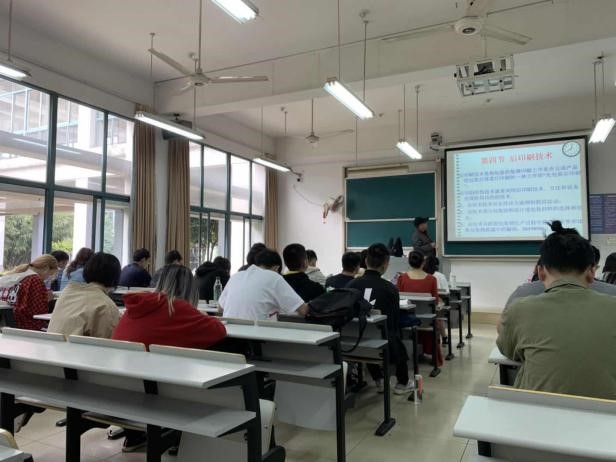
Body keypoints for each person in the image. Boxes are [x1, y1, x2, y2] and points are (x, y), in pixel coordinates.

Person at [113, 264, 226, 452]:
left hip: (119, 389)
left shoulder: (135, 306)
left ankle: (134, 435)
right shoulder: (178, 307)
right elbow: (218, 331)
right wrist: (202, 316)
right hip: (153, 393)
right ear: (190, 287)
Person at [497, 222, 616, 399]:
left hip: (536, 410)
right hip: (607, 413)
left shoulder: (520, 308)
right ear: (592, 271)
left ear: (541, 272)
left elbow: (507, 350)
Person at [346, 243, 413, 395]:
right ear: (386, 264)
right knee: (394, 338)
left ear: (366, 261)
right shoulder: (390, 289)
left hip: (352, 342)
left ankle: (379, 379)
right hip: (382, 344)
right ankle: (402, 383)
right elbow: (394, 322)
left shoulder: (351, 284)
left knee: (370, 333)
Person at [505, 224, 616, 308]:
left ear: (540, 271)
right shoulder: (612, 294)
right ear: (592, 271)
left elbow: (503, 328)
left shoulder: (521, 295)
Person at [219, 249, 309, 321]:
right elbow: (303, 310)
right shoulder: (274, 277)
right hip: (257, 336)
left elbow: (220, 308)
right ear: (276, 268)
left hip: (228, 335)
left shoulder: (236, 276)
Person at [48, 252, 121, 338]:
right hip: (75, 346)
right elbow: (106, 341)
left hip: (50, 344)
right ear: (115, 276)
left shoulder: (67, 292)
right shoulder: (106, 305)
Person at [397, 250, 445, 363]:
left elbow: (399, 300)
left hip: (407, 320)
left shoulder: (402, 278)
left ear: (409, 262)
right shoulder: (431, 279)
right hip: (427, 321)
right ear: (423, 263)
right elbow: (435, 301)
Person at [0, 255, 58, 330]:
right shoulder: (35, 280)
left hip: (8, 322)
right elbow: (34, 310)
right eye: (49, 275)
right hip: (25, 324)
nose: (47, 278)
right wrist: (47, 299)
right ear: (46, 268)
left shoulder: (18, 275)